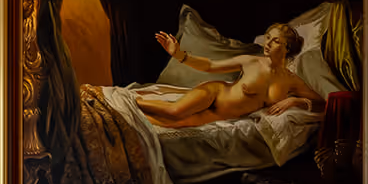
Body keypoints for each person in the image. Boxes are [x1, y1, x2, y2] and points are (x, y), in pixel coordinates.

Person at [138, 21, 325, 128]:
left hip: (222, 114)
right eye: (268, 37)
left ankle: (124, 117)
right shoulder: (251, 61)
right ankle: (129, 101)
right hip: (215, 94)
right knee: (174, 112)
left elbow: (321, 103)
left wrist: (295, 101)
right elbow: (210, 66)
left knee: (173, 123)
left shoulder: (291, 80)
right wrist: (179, 55)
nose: (267, 43)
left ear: (287, 48)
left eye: (275, 41)